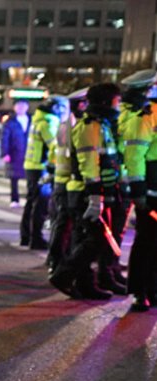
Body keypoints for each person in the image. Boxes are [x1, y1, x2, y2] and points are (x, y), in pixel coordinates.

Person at [49, 83, 122, 300]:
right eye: (116, 101)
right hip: (84, 192)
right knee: (95, 240)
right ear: (105, 102)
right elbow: (89, 165)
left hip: (92, 191)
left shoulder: (101, 125)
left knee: (86, 239)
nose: (118, 106)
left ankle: (85, 284)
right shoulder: (89, 127)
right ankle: (63, 275)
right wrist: (95, 198)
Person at [119, 69, 157, 311]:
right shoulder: (146, 115)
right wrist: (139, 189)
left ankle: (152, 289)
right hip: (152, 185)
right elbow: (135, 155)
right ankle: (139, 291)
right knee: (147, 240)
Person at [21, 96, 67, 250]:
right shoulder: (49, 122)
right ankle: (36, 238)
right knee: (40, 204)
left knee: (31, 202)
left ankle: (26, 236)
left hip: (31, 166)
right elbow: (54, 146)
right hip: (41, 167)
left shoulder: (38, 119)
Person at [47, 90, 83, 273]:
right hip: (67, 180)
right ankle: (58, 260)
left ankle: (55, 259)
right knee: (64, 224)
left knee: (61, 223)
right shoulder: (74, 126)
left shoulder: (64, 124)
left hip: (61, 178)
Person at [0, 99, 30, 208]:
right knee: (14, 178)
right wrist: (5, 153)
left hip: (30, 153)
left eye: (23, 105)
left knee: (31, 178)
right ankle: (14, 199)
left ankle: (29, 199)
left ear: (27, 107)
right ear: (14, 107)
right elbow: (4, 138)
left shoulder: (32, 120)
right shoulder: (10, 121)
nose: (21, 108)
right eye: (18, 106)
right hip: (14, 153)